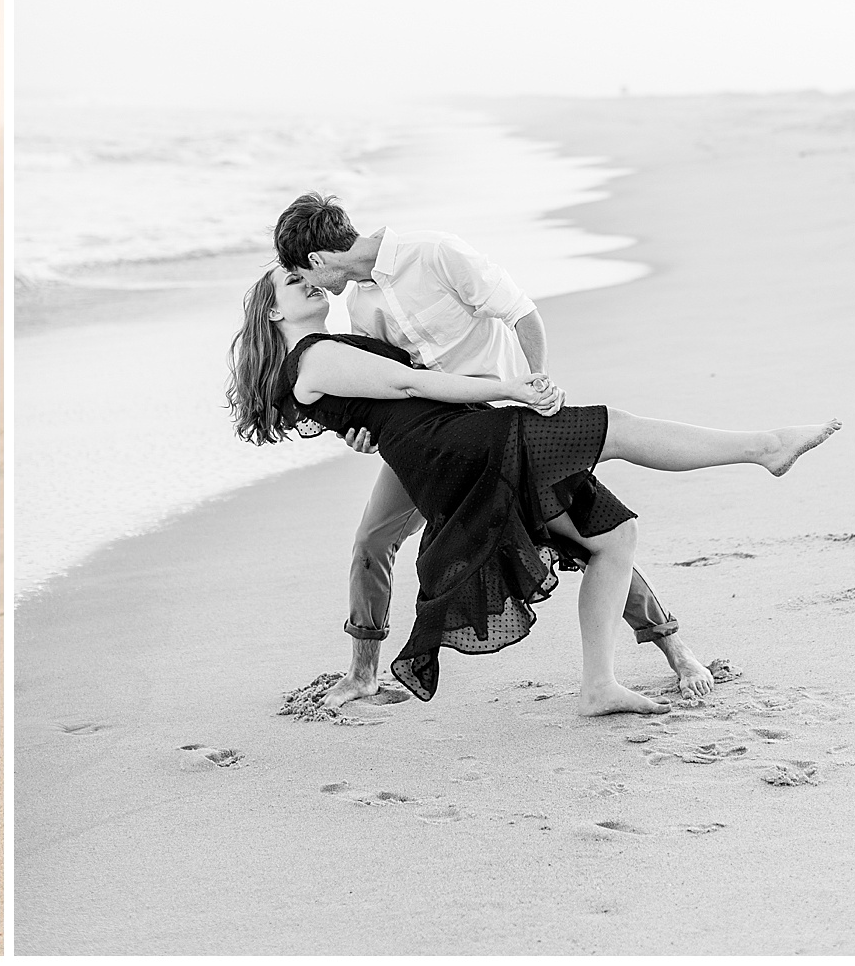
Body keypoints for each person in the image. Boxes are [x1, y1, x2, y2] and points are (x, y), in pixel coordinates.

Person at [228, 264, 838, 716]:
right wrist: (511, 388)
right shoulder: (314, 357)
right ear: (273, 313)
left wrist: (364, 425)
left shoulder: (326, 351)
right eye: (292, 282)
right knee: (615, 430)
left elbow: (380, 402)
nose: (308, 282)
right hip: (465, 446)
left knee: (609, 534)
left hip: (456, 445)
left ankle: (604, 683)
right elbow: (412, 387)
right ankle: (765, 448)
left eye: (306, 273)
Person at [272, 192, 710, 708]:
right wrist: (360, 434)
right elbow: (388, 389)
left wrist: (537, 386)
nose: (310, 285)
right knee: (372, 540)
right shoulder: (359, 307)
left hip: (501, 423)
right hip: (434, 446)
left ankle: (674, 648)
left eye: (304, 274)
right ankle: (363, 673)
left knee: (583, 530)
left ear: (318, 258)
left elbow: (521, 312)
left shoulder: (434, 252)